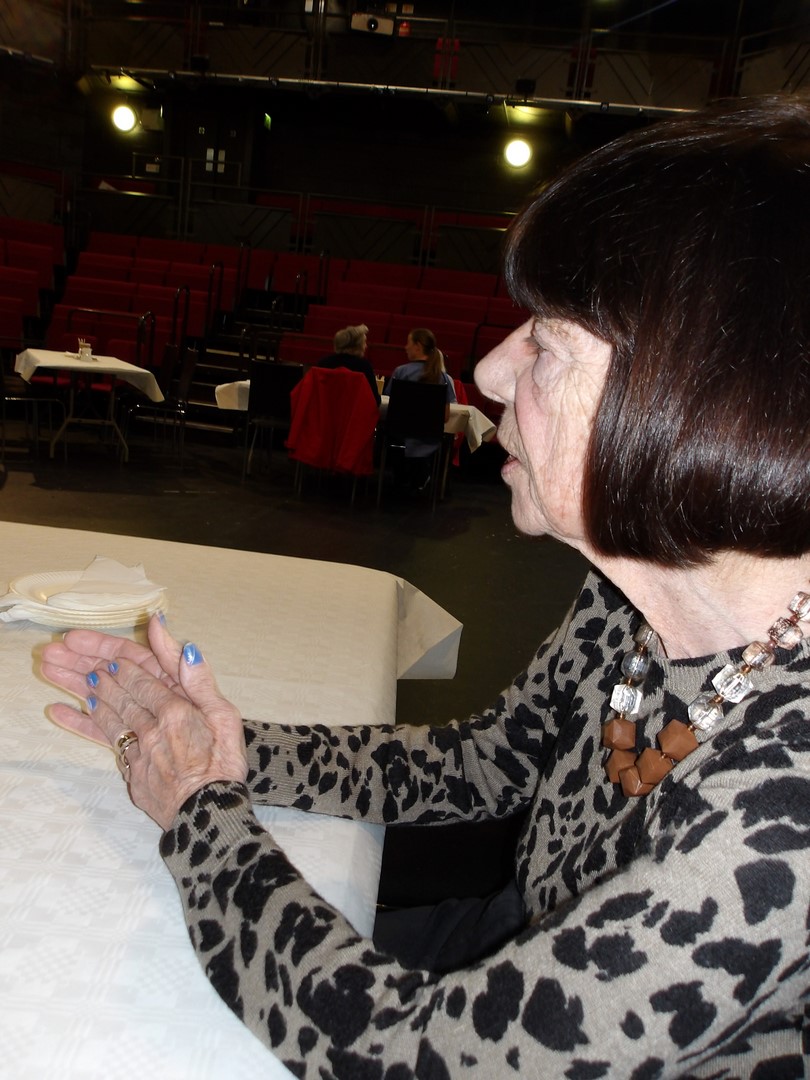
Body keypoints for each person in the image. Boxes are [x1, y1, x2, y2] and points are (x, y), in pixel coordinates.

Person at [41, 95, 810, 1077]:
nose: (489, 369)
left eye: (545, 342)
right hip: (515, 932)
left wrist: (199, 808)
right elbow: (487, 763)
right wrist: (229, 749)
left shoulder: (788, 798)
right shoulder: (635, 594)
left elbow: (419, 1058)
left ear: (700, 403)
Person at [385, 327, 458, 488]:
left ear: (417, 346)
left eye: (408, 343)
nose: (405, 347)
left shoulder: (401, 372)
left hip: (399, 434)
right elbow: (445, 416)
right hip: (429, 438)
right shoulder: (442, 378)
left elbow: (390, 406)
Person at [316, 322, 380, 403]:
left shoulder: (323, 363)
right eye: (364, 342)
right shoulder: (364, 367)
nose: (366, 346)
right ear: (358, 346)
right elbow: (375, 400)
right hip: (354, 411)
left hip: (324, 409)